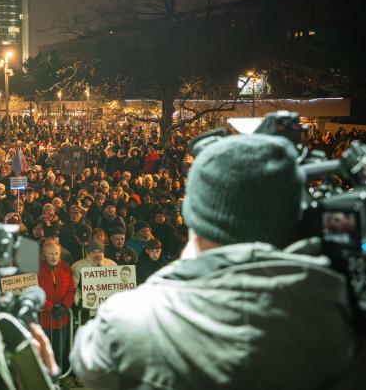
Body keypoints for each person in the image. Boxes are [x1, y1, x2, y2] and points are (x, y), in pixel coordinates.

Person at [71, 134, 362, 389]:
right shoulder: (348, 318)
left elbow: (87, 360)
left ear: (195, 218)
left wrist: (184, 267)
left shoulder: (133, 319)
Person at [37, 239, 75, 372]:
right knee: (44, 351)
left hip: (62, 318)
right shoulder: (36, 268)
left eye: (57, 253)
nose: (54, 257)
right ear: (44, 254)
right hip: (44, 319)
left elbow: (72, 289)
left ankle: (59, 378)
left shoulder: (66, 267)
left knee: (59, 351)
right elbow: (33, 291)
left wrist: (65, 306)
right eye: (51, 254)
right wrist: (50, 306)